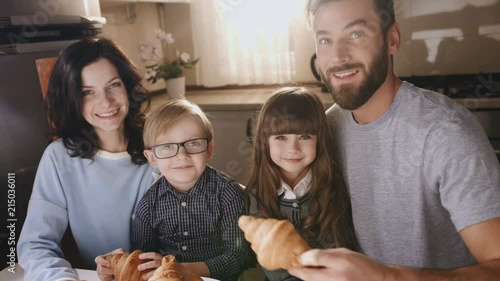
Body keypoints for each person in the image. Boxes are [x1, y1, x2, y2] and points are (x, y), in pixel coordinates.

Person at [289, 0, 500, 280]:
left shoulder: (446, 132)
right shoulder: (327, 128)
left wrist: (388, 276)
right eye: (325, 39)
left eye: (356, 34)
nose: (338, 56)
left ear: (392, 40)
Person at [16, 37, 156, 281]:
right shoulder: (59, 158)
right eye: (87, 92)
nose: (105, 102)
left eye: (113, 85)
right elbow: (36, 245)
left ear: (128, 86)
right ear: (71, 98)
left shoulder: (160, 145)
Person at [120, 100, 248, 281]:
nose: (182, 155)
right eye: (167, 147)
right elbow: (144, 260)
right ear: (152, 158)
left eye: (193, 143)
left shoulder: (228, 194)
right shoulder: (148, 205)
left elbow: (239, 257)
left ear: (209, 149)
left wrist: (181, 269)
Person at [245, 87, 357, 281]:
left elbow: (338, 246)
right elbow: (270, 261)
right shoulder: (258, 193)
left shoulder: (330, 186)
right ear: (265, 142)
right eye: (281, 137)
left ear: (319, 140)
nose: (293, 148)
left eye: (304, 137)